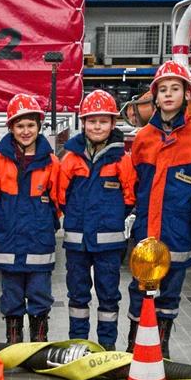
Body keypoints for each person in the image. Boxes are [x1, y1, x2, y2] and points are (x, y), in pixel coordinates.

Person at [127, 60, 191, 358]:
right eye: (163, 90)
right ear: (155, 97)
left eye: (175, 88)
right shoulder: (143, 138)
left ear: (187, 94)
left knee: (170, 292)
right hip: (148, 229)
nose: (169, 95)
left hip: (178, 231)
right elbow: (133, 183)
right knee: (139, 291)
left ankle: (161, 348)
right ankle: (134, 347)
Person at [57, 90, 136, 349]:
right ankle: (78, 345)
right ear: (83, 123)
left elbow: (129, 197)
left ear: (113, 124)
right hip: (77, 244)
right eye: (92, 121)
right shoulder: (70, 159)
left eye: (103, 121)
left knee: (108, 296)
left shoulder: (122, 160)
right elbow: (60, 195)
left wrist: (111, 222)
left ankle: (106, 347)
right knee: (77, 296)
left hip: (109, 246)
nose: (97, 126)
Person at [0, 94, 61, 343]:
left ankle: (39, 341)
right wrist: (7, 223)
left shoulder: (50, 162)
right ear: (11, 128)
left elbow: (57, 201)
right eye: (20, 125)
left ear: (39, 127)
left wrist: (43, 221)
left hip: (39, 243)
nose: (25, 131)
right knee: (11, 294)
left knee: (40, 293)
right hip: (8, 242)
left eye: (30, 125)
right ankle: (14, 341)